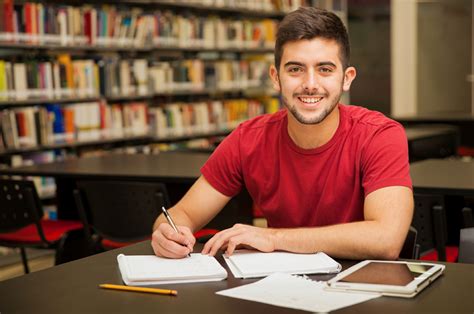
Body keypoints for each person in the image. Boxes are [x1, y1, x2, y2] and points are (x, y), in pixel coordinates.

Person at [151, 7, 413, 260]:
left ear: (346, 78)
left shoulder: (380, 135)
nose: (310, 85)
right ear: (276, 77)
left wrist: (274, 238)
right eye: (295, 69)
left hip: (362, 292)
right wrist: (166, 234)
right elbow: (181, 214)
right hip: (280, 290)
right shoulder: (248, 139)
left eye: (325, 69)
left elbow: (386, 240)